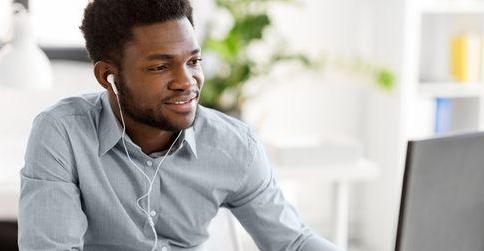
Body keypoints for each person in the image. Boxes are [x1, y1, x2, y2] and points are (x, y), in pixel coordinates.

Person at [18, 0, 339, 250]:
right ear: (107, 76)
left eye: (194, 61)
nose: (187, 82)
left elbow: (293, 243)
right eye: (160, 67)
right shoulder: (62, 134)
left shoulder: (234, 146)